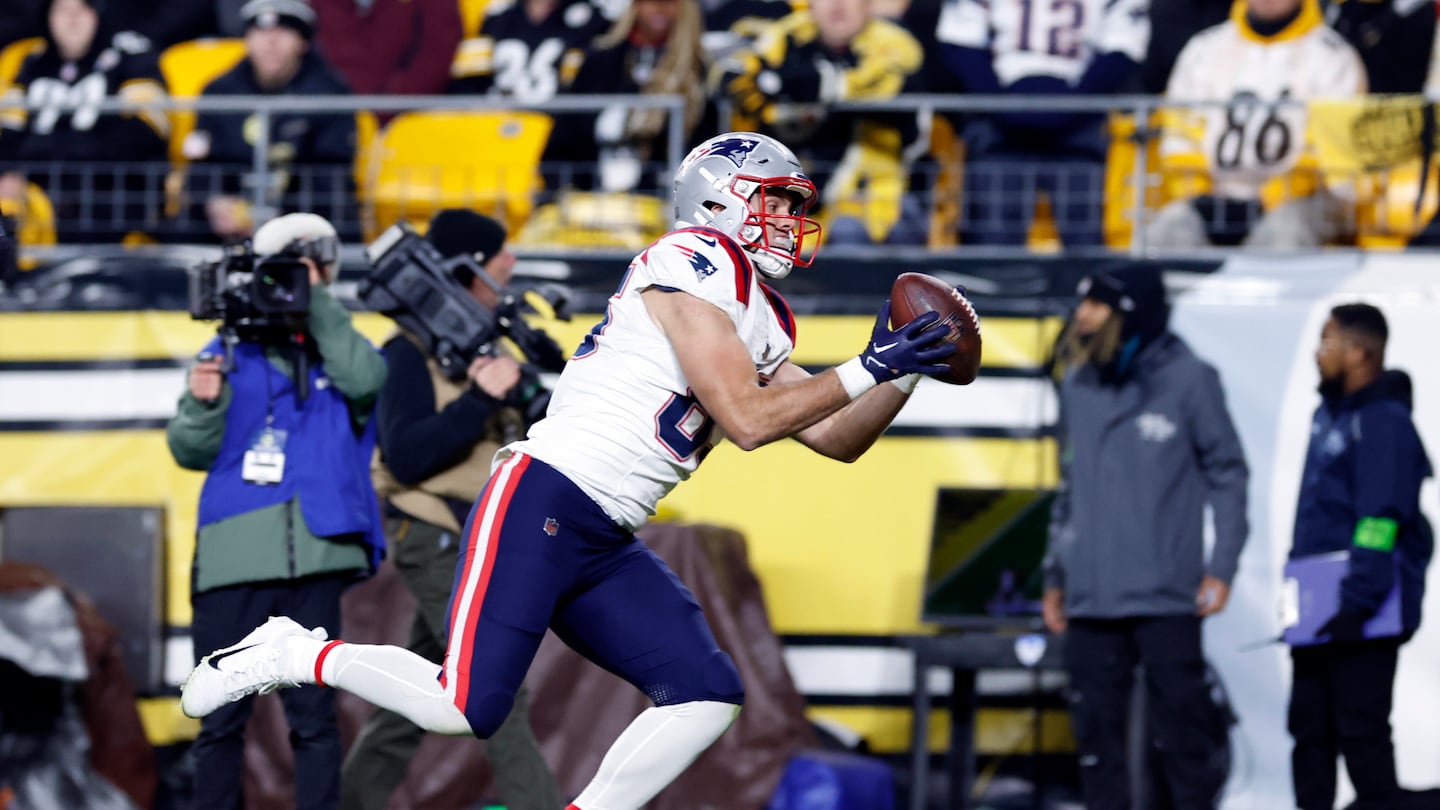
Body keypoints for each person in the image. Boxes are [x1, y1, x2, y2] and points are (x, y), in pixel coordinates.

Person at [180, 131, 958, 810]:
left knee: (705, 693)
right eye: (776, 201)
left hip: (604, 532)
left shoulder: (755, 310)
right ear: (721, 203)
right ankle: (292, 652)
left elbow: (837, 438)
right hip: (544, 496)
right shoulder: (692, 261)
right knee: (466, 704)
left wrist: (906, 368)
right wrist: (869, 361)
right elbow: (749, 420)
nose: (790, 220)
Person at [339, 209, 562, 810]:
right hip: (436, 532)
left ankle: (352, 803)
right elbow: (407, 457)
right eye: (498, 259)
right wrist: (479, 401)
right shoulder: (408, 353)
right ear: (467, 271)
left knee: (412, 700)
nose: (509, 266)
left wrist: (523, 394)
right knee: (494, 686)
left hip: (474, 537)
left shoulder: (481, 348)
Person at [166, 212, 387, 810]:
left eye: (308, 271)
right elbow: (189, 449)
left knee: (314, 720)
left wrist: (316, 302)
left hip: (315, 554)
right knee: (220, 719)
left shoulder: (338, 351)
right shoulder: (225, 350)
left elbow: (367, 379)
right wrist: (204, 405)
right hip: (233, 557)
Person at [1042, 262, 1248, 810]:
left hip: (1166, 595)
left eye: (1095, 304)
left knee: (1183, 739)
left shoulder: (1191, 379)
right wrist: (1055, 574)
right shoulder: (1080, 382)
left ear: (1130, 314)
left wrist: (1222, 567)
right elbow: (1071, 486)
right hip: (1090, 595)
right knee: (1095, 744)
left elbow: (1228, 474)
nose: (1080, 315)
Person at [1287, 303, 1433, 810]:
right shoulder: (1327, 416)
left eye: (1328, 342)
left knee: (1361, 734)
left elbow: (1380, 519)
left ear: (1359, 352)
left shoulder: (1382, 422)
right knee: (1310, 730)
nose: (1317, 353)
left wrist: (1358, 603)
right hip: (1315, 609)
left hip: (1361, 611)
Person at [1151, 0, 1367, 248]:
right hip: (1215, 195)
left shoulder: (1333, 56)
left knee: (1283, 233)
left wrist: (1270, 199)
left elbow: (1329, 153)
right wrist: (1201, 194)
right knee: (1169, 227)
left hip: (1303, 200)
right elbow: (1180, 136)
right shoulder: (1204, 49)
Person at [936, 0, 1149, 247]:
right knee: (993, 239)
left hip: (1077, 126)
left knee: (1083, 238)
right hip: (1004, 125)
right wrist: (1000, 102)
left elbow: (1123, 47)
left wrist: (1075, 104)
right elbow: (960, 41)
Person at [180, 0, 356, 243]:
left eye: (283, 32)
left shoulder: (330, 94)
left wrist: (282, 219)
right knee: (182, 225)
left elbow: (331, 177)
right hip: (229, 224)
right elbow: (202, 162)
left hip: (302, 223)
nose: (270, 43)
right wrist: (215, 202)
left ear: (302, 43)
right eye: (260, 32)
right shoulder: (220, 90)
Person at [0, 0, 170, 243]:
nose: (72, 20)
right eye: (62, 10)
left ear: (97, 13)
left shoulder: (131, 53)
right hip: (43, 192)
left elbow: (145, 129)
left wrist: (53, 150)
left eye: (82, 9)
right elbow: (9, 132)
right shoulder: (33, 61)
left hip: (109, 192)